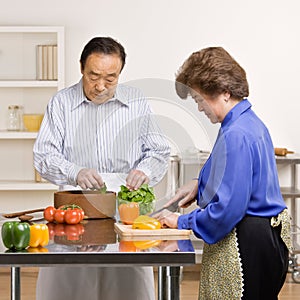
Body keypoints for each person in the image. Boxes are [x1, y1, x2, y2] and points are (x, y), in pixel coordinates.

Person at [33, 37, 170, 300]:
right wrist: (75, 172)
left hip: (125, 209)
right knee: (70, 285)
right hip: (75, 209)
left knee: (127, 286)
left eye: (110, 78)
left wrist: (146, 171)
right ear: (81, 68)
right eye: (93, 76)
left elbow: (158, 150)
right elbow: (44, 156)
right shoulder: (61, 103)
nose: (100, 86)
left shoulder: (137, 101)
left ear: (120, 73)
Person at [159, 47, 292, 299]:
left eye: (200, 100)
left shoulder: (236, 134)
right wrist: (199, 184)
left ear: (224, 92)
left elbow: (227, 210)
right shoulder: (245, 122)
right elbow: (234, 175)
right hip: (264, 238)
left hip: (248, 243)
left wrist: (181, 221)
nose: (199, 108)